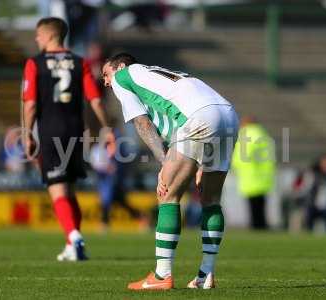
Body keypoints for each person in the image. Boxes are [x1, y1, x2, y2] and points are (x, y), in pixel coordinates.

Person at [102, 53, 239, 290]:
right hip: (227, 114)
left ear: (121, 66)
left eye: (106, 74)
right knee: (211, 199)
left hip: (199, 116)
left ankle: (162, 275)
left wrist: (165, 163)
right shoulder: (159, 75)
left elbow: (141, 123)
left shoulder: (123, 77)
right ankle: (206, 275)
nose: (106, 81)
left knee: (167, 195)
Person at [22, 17, 114, 262]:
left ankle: (73, 236)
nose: (36, 39)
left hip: (50, 131)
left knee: (57, 189)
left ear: (50, 36)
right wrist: (108, 128)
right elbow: (95, 100)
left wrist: (27, 134)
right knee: (69, 190)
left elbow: (30, 104)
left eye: (39, 35)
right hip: (75, 131)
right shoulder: (79, 62)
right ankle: (72, 244)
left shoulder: (35, 63)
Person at [232, 116, 276, 230]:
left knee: (253, 207)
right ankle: (262, 226)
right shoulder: (264, 135)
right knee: (261, 206)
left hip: (251, 176)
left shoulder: (247, 135)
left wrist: (234, 165)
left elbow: (242, 156)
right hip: (265, 177)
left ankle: (256, 226)